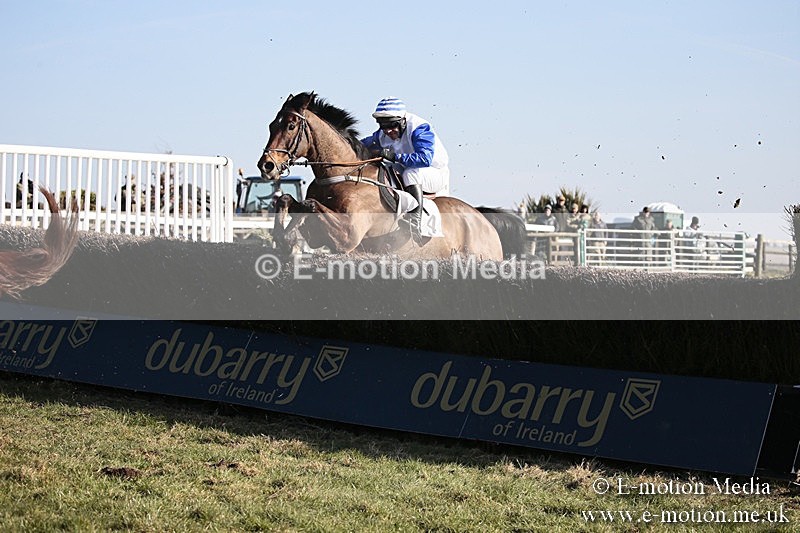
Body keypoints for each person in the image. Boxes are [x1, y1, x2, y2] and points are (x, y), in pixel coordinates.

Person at [360, 97, 450, 237]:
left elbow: (425, 159)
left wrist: (395, 156)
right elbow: (361, 145)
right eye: (383, 126)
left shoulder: (419, 128)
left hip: (434, 173)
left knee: (410, 173)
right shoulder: (382, 134)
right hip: (409, 169)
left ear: (402, 120)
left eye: (392, 125)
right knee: (383, 168)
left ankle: (414, 220)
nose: (388, 131)